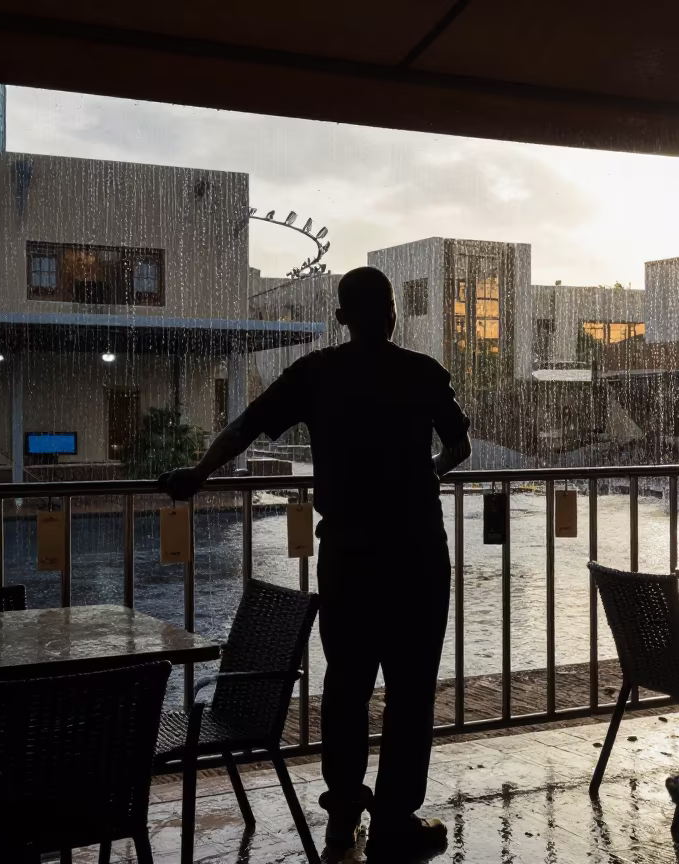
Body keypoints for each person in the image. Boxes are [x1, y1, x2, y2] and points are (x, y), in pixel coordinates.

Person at [160, 266, 471, 857]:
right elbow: (460, 445)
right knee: (410, 692)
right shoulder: (423, 373)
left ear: (340, 317)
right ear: (392, 314)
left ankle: (343, 814)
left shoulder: (316, 373)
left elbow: (245, 427)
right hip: (416, 554)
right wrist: (424, 473)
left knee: (346, 685)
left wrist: (198, 475)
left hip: (348, 553)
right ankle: (395, 821)